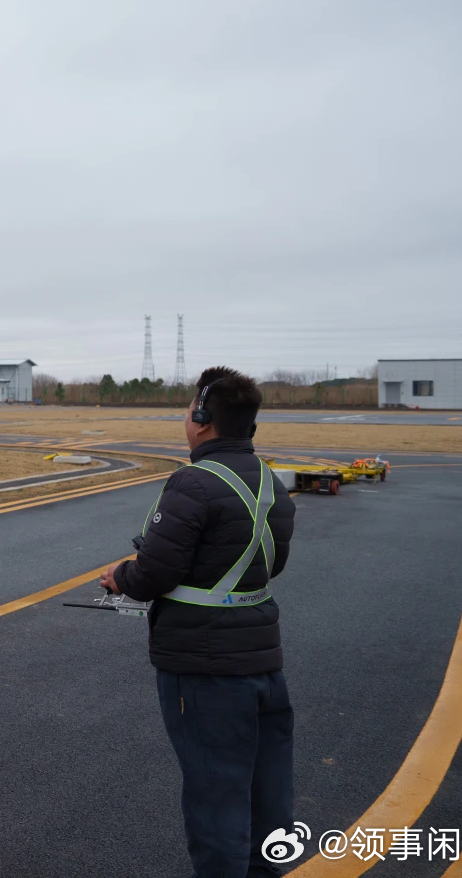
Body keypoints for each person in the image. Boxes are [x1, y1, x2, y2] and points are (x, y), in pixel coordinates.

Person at [99, 366, 296, 878]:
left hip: (206, 670)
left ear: (204, 419)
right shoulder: (272, 484)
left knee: (216, 801)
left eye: (190, 409)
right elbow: (271, 565)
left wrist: (121, 575)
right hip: (262, 661)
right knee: (267, 796)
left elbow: (155, 572)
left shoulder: (193, 481)